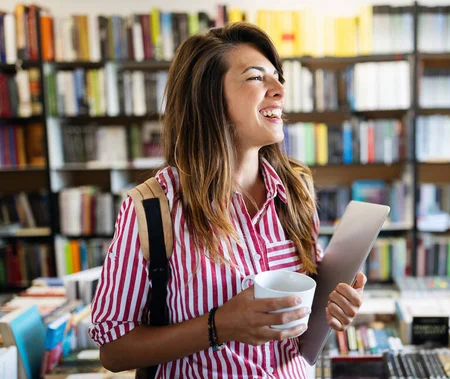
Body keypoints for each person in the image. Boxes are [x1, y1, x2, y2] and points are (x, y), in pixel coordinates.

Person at [88, 21, 367, 378]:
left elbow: (301, 321)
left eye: (277, 77)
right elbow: (113, 350)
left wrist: (334, 306)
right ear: (208, 97)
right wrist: (218, 326)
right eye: (255, 78)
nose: (279, 89)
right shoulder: (153, 207)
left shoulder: (297, 189)